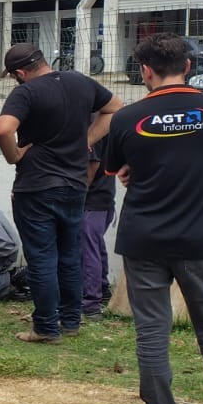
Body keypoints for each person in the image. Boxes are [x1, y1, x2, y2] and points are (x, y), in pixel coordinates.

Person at [100, 33, 203, 404]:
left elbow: (115, 169)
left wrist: (134, 171)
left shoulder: (127, 117)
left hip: (145, 236)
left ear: (144, 70)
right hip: (201, 235)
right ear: (189, 66)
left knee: (152, 332)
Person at [0, 41, 121, 343]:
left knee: (42, 257)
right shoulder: (80, 81)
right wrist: (85, 139)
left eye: (13, 75)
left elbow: (1, 129)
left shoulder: (26, 92)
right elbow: (115, 108)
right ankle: (70, 320)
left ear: (21, 72)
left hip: (36, 186)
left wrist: (13, 156)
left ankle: (46, 327)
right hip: (75, 184)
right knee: (69, 255)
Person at [81, 137, 115, 320]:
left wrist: (78, 192)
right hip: (104, 197)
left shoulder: (92, 124)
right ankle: (102, 289)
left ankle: (91, 303)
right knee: (95, 246)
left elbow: (92, 163)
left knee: (87, 250)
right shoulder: (107, 124)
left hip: (92, 200)